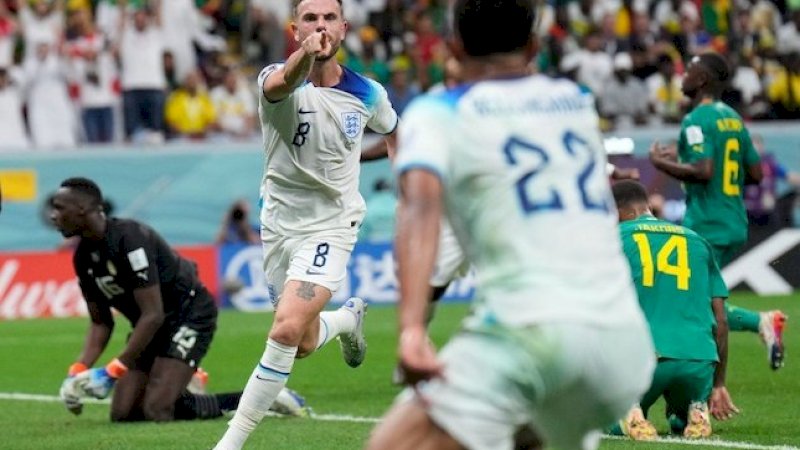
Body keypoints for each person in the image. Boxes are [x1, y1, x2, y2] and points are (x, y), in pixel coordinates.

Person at [366, 2, 655, 450]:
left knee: (393, 444)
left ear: (454, 49)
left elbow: (419, 211)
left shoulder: (439, 111)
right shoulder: (574, 103)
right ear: (536, 46)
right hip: (625, 345)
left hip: (531, 334)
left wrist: (411, 330)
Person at [212, 0, 398, 448]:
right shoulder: (274, 80)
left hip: (332, 226)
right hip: (279, 227)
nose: (320, 26)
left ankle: (229, 443)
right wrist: (306, 57)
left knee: (284, 329)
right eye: (310, 19)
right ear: (296, 31)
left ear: (344, 28)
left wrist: (407, 178)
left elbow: (393, 129)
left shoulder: (368, 93)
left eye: (329, 18)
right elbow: (284, 81)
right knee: (303, 342)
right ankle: (347, 321)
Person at [51, 177, 308, 422]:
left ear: (83, 208)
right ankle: (184, 381)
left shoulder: (129, 239)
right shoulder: (82, 258)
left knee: (157, 409)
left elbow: (152, 313)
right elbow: (101, 323)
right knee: (123, 413)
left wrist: (112, 371)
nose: (53, 215)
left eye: (59, 208)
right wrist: (76, 371)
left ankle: (263, 399)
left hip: (190, 314)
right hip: (153, 325)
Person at [649, 52, 787, 370]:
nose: (682, 76)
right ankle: (761, 323)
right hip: (732, 219)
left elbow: (703, 170)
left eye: (689, 72)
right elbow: (755, 174)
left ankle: (703, 384)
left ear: (702, 81)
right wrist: (683, 155)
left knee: (690, 301)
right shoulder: (732, 118)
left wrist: (661, 163)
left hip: (706, 222)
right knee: (696, 298)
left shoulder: (696, 119)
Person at [609, 180, 737, 440]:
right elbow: (721, 321)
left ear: (619, 212)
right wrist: (718, 384)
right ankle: (695, 410)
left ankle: (629, 411)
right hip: (698, 363)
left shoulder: (615, 239)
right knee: (679, 418)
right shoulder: (697, 240)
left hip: (645, 360)